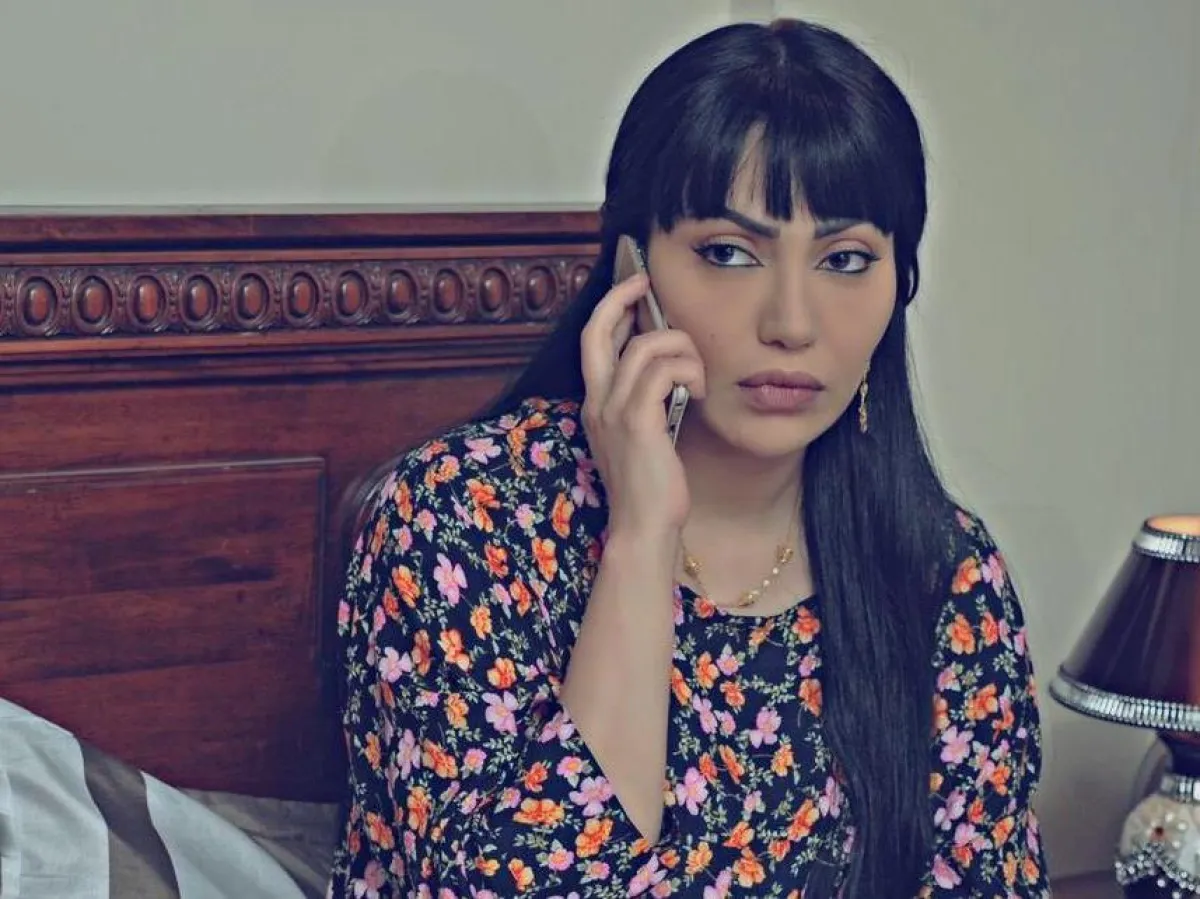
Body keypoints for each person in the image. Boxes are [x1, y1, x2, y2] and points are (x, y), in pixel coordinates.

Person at [327, 17, 1048, 899]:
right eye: (729, 253)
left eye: (846, 259)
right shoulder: (459, 521)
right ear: (633, 267)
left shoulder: (944, 573)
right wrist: (641, 535)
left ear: (900, 285)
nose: (792, 322)